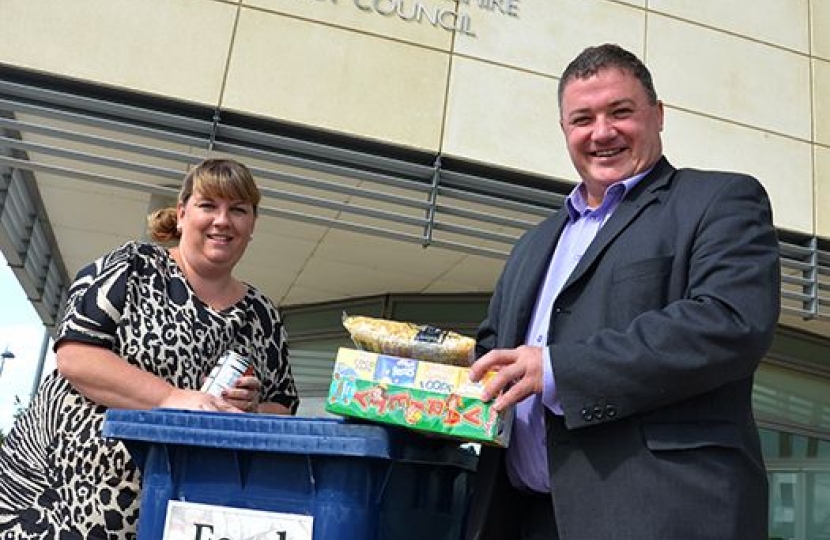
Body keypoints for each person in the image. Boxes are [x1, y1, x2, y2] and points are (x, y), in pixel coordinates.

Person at [465, 44, 780, 540]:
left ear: (658, 115)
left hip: (657, 517)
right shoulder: (533, 245)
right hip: (521, 518)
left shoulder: (720, 201)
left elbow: (728, 322)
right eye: (582, 119)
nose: (602, 132)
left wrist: (556, 370)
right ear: (565, 131)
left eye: (621, 111)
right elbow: (493, 357)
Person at [0, 158, 299, 539]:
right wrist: (173, 398)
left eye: (238, 210)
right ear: (182, 214)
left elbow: (283, 407)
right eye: (209, 205)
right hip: (61, 503)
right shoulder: (131, 267)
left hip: (182, 510)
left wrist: (249, 410)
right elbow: (76, 354)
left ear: (252, 225)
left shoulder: (263, 315)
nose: (223, 220)